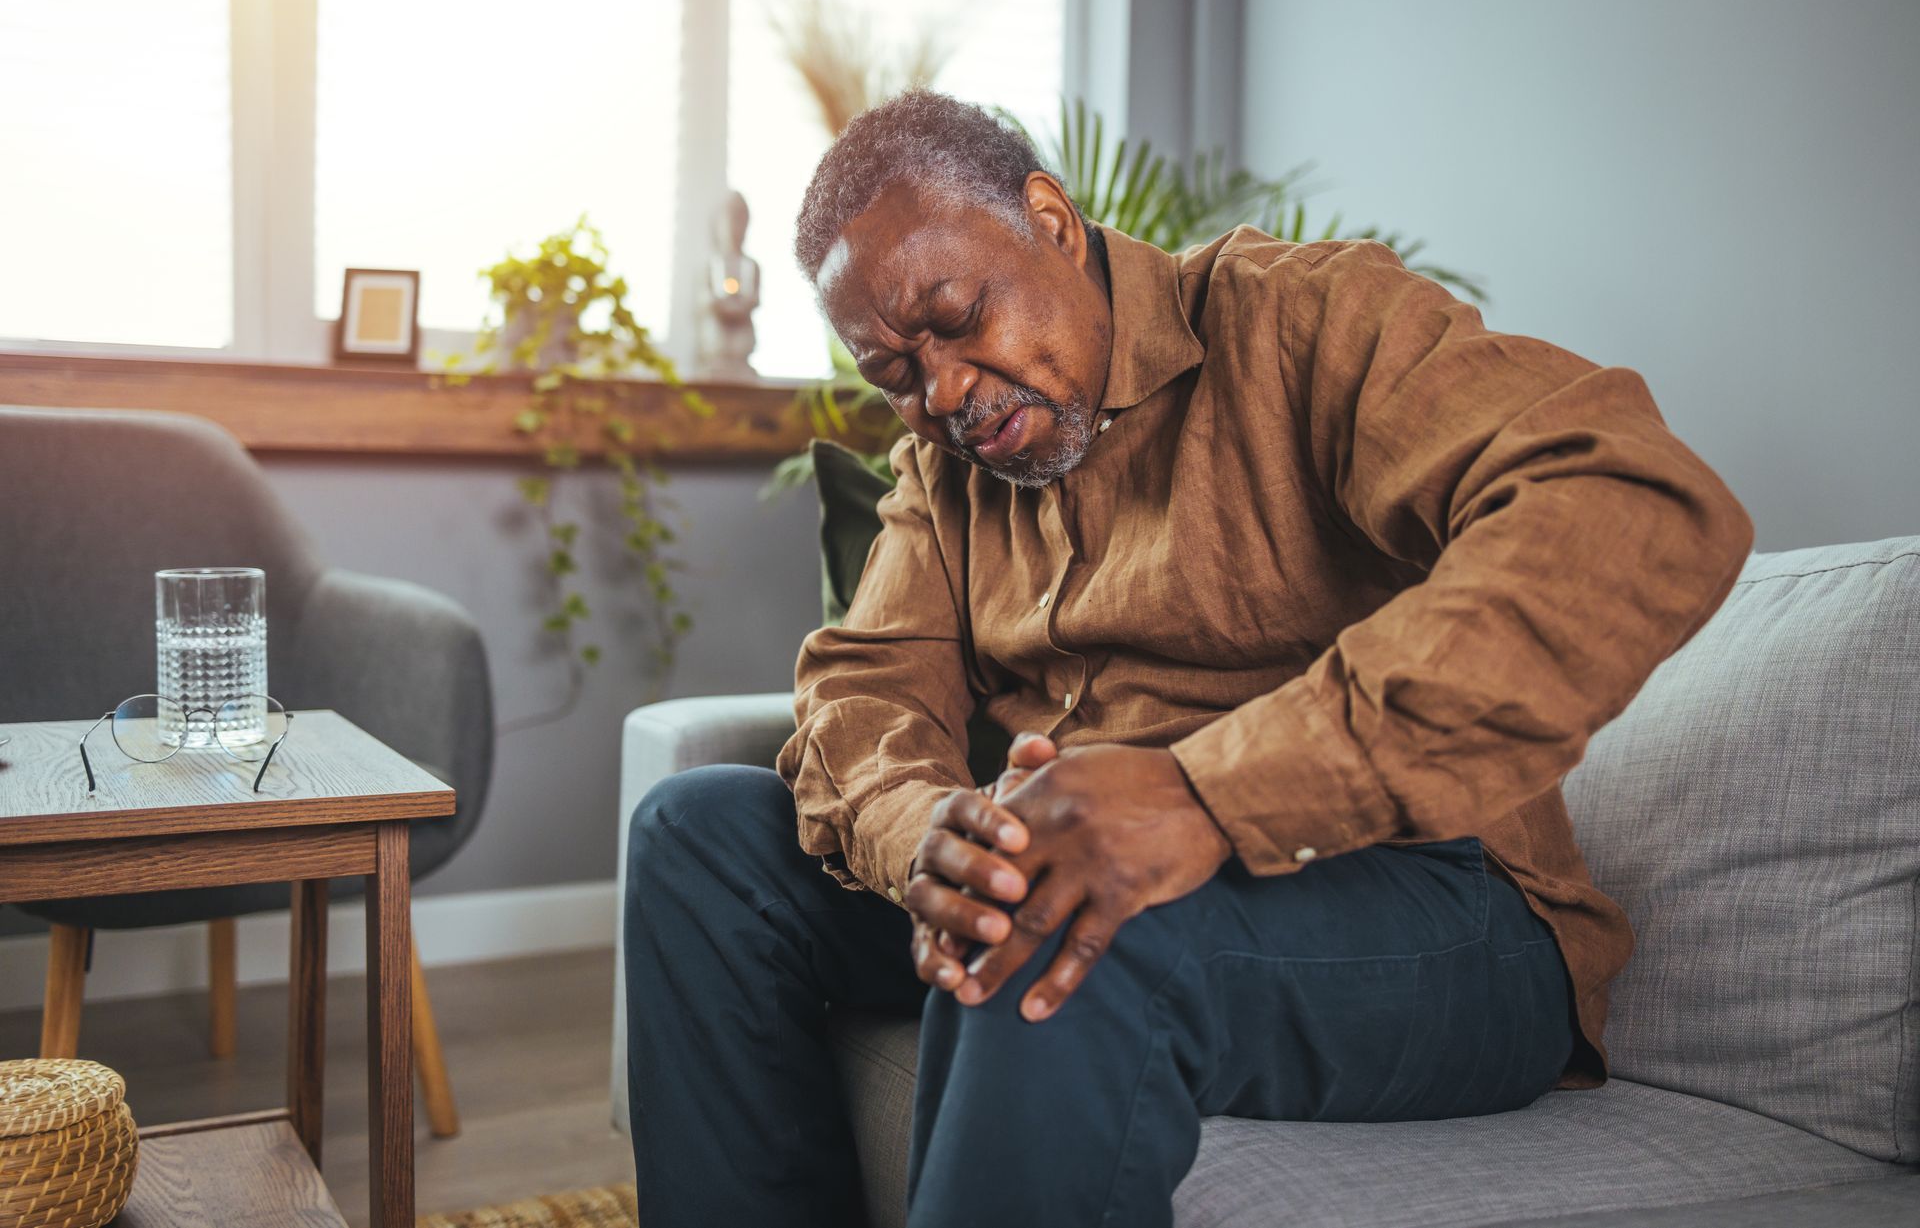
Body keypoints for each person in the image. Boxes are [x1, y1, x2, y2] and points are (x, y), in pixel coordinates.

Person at [622, 88, 1754, 1228]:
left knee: (1062, 906)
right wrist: (929, 836)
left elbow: (1633, 500)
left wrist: (1205, 794)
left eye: (959, 314)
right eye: (898, 374)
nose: (946, 391)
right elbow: (864, 687)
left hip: (1439, 910)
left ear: (1051, 222)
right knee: (698, 839)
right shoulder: (949, 471)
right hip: (1106, 879)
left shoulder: (1307, 322)